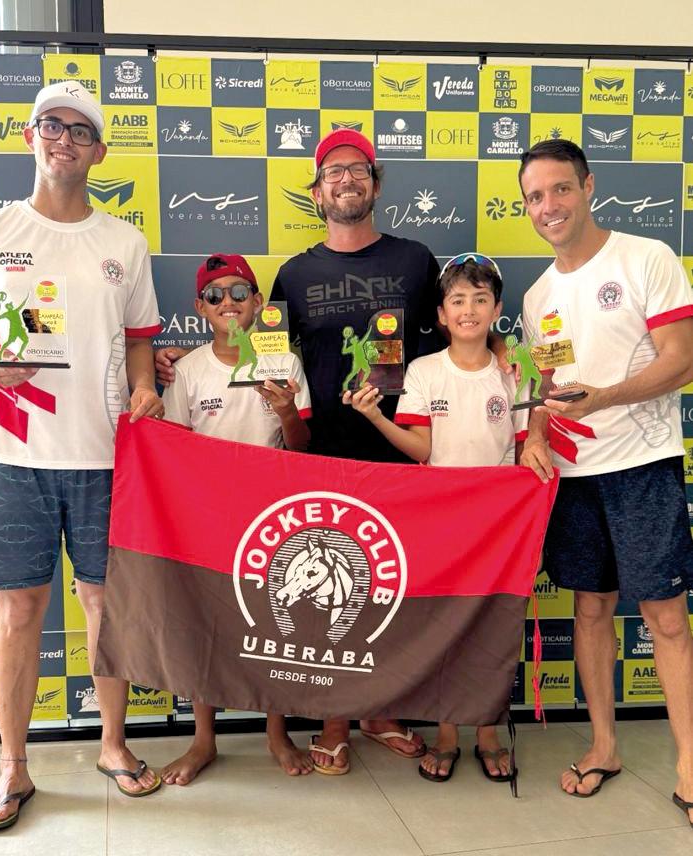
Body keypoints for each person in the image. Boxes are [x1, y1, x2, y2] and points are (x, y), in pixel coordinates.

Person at [157, 129, 448, 773]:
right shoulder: (295, 273)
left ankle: (380, 710)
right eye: (332, 173)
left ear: (375, 183)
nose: (345, 181)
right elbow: (251, 353)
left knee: (390, 587)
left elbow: (458, 334)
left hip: (401, 447)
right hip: (315, 452)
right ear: (317, 193)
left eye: (357, 171)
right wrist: (178, 357)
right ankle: (335, 720)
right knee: (333, 592)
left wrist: (507, 362)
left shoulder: (416, 260)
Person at [0, 81, 164, 832]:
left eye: (81, 130)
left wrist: (144, 389)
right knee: (18, 611)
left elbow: (141, 339)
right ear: (29, 134)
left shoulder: (124, 242)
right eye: (52, 125)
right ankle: (13, 767)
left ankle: (114, 744)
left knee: (108, 607)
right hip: (13, 453)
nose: (64, 139)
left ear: (99, 150)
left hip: (109, 457)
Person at [517, 139, 693, 819]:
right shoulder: (537, 296)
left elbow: (681, 360)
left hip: (642, 466)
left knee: (665, 619)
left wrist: (607, 398)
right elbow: (547, 384)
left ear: (588, 187)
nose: (548, 207)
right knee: (590, 610)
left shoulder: (646, 257)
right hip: (573, 473)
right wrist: (535, 435)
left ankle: (687, 758)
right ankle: (603, 746)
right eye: (535, 196)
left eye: (560, 190)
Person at [344, 253, 527, 785]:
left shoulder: (514, 371)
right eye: (457, 301)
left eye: (480, 299)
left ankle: (487, 732)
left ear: (496, 309)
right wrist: (375, 415)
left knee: (493, 629)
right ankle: (448, 734)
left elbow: (523, 446)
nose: (469, 309)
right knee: (448, 629)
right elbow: (420, 447)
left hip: (500, 526)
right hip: (443, 525)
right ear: (443, 315)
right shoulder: (423, 371)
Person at [161, 252, 314, 782]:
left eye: (239, 292)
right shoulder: (187, 370)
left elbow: (301, 446)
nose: (228, 302)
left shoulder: (285, 365)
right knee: (206, 624)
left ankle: (276, 732)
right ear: (199, 308)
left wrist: (287, 411)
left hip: (271, 513)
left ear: (259, 304)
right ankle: (204, 740)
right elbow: (174, 447)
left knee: (273, 621)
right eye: (215, 295)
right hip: (205, 517)